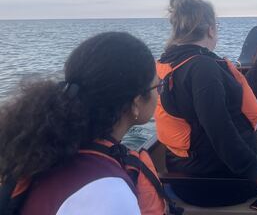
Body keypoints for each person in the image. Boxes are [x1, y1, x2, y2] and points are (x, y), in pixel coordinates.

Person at [0, 32, 168, 215]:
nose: (159, 93)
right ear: (136, 102)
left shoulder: (49, 150)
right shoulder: (107, 194)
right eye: (157, 86)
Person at [154, 0, 257, 207]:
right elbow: (217, 125)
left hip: (184, 171)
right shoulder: (203, 67)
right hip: (209, 184)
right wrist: (255, 169)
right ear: (210, 29)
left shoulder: (170, 61)